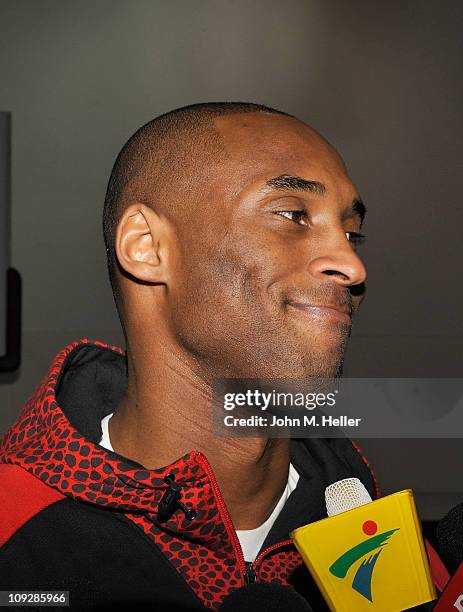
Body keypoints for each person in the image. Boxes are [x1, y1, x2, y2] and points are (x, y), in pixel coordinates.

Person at [0, 102, 380, 610]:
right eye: (292, 215)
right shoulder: (16, 538)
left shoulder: (366, 521)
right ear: (147, 247)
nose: (352, 264)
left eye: (352, 233)